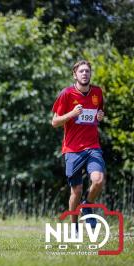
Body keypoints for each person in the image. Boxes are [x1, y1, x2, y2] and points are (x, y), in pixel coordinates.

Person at [51, 60, 105, 229]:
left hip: (92, 147)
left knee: (98, 180)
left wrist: (100, 117)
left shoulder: (97, 92)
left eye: (87, 71)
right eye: (81, 71)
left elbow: (97, 113)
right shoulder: (66, 94)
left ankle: (87, 205)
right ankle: (74, 225)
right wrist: (72, 114)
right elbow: (55, 122)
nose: (84, 74)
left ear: (90, 74)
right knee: (76, 190)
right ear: (75, 75)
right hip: (72, 150)